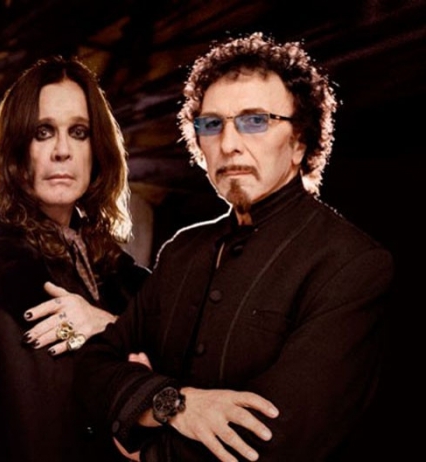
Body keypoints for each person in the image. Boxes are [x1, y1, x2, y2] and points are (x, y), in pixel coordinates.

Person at [75, 32, 394, 462]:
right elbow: (93, 367)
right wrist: (174, 403)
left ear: (300, 141)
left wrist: (141, 450)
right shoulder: (182, 250)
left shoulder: (351, 263)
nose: (227, 144)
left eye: (255, 120)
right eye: (211, 124)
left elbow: (271, 441)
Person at [0, 56, 149, 462]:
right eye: (42, 132)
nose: (62, 151)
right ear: (16, 147)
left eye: (79, 132)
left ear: (97, 149)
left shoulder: (119, 269)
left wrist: (106, 325)